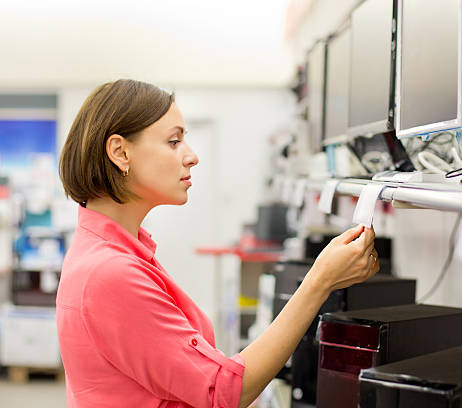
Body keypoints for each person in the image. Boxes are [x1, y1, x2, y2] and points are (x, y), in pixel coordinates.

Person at [56, 79, 379, 408]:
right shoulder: (111, 274)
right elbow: (223, 393)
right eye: (173, 141)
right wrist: (319, 281)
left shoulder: (109, 251)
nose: (191, 157)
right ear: (120, 152)